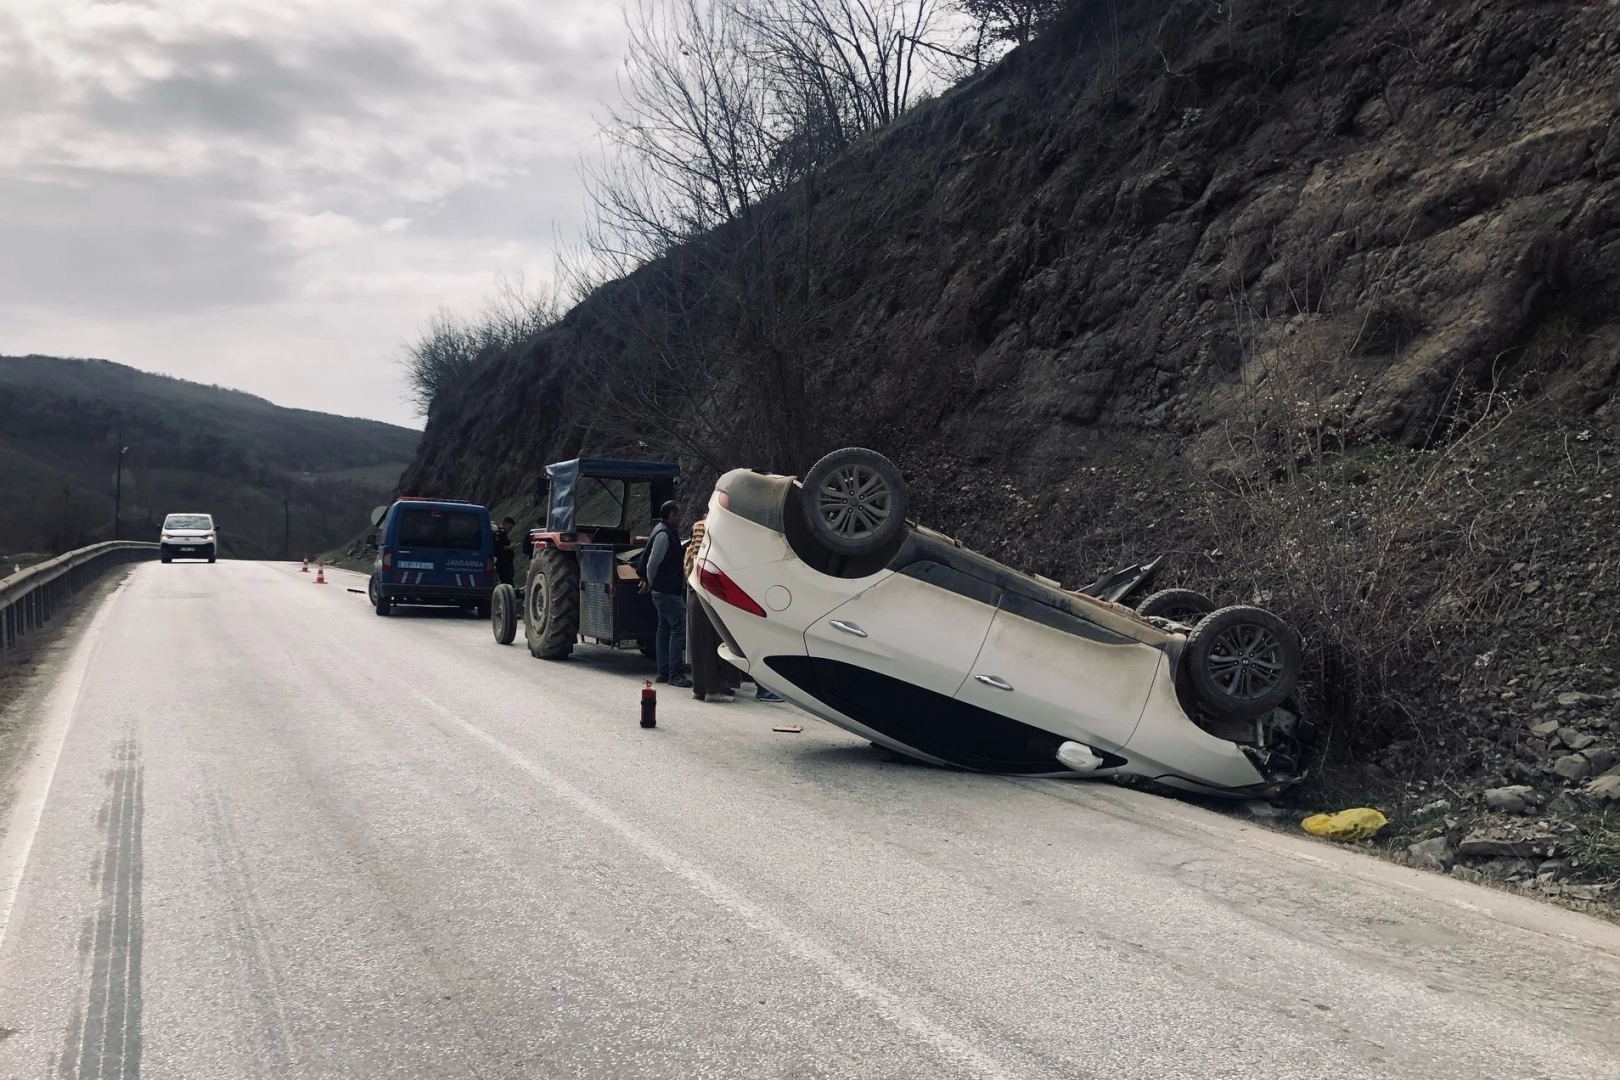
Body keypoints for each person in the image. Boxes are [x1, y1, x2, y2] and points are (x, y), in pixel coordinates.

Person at [683, 510, 784, 704]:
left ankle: (700, 688)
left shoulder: (692, 554)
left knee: (700, 643)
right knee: (714, 643)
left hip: (696, 593)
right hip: (709, 595)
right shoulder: (711, 546)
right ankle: (714, 690)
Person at [640, 500, 691, 687]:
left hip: (663, 589)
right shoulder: (664, 534)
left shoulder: (661, 530)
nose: (681, 517)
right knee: (679, 628)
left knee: (664, 629)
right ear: (671, 515)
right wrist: (651, 581)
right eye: (679, 514)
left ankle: (663, 671)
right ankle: (675, 673)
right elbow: (653, 562)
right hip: (667, 590)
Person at [493, 516, 517, 587]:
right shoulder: (499, 534)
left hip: (507, 563)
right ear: (504, 524)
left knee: (509, 582)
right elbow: (497, 547)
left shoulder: (504, 534)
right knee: (507, 583)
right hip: (502, 563)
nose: (510, 529)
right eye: (510, 527)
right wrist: (509, 547)